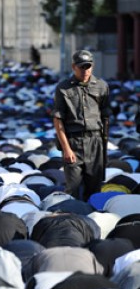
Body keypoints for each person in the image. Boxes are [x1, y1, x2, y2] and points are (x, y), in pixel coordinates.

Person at [52, 50, 110, 201]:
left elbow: (105, 118)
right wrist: (66, 149)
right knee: (74, 188)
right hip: (73, 142)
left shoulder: (102, 86)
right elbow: (58, 120)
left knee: (94, 189)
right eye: (82, 67)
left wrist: (104, 147)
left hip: (95, 142)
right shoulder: (63, 88)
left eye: (88, 66)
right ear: (73, 67)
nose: (85, 70)